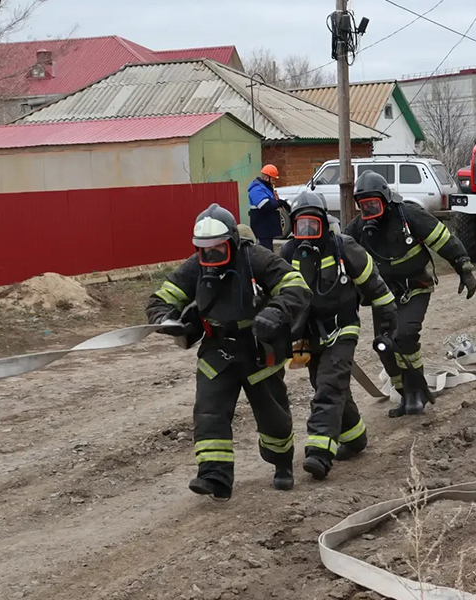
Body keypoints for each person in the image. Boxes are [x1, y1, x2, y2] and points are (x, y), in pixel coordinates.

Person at [145, 203, 311, 501]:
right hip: (217, 349)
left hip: (259, 348)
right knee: (209, 412)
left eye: (217, 250)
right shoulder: (196, 266)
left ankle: (281, 462)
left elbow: (296, 286)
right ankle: (215, 476)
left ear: (232, 242)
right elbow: (160, 299)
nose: (210, 257)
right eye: (203, 250)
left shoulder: (255, 259)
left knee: (273, 418)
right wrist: (165, 320)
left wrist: (275, 312)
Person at [280, 191, 397, 480]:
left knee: (329, 387)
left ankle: (319, 452)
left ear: (324, 223)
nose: (306, 234)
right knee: (328, 386)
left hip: (342, 328)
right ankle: (355, 437)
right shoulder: (288, 254)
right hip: (309, 336)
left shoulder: (345, 248)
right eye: (300, 226)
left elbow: (376, 288)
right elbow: (280, 298)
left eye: (313, 226)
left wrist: (387, 325)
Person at [346, 171, 476, 418]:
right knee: (384, 346)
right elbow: (341, 253)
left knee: (404, 336)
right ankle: (406, 394)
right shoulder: (359, 228)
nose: (369, 210)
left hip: (415, 287)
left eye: (373, 203)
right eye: (364, 206)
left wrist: (464, 267)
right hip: (383, 297)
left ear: (385, 197)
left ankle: (417, 391)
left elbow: (443, 239)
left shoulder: (409, 215)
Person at [248, 165, 283, 250]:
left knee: (268, 250)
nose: (274, 182)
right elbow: (265, 206)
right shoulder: (257, 189)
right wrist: (279, 203)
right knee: (265, 251)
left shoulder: (265, 188)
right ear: (267, 178)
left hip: (267, 229)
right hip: (262, 229)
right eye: (273, 179)